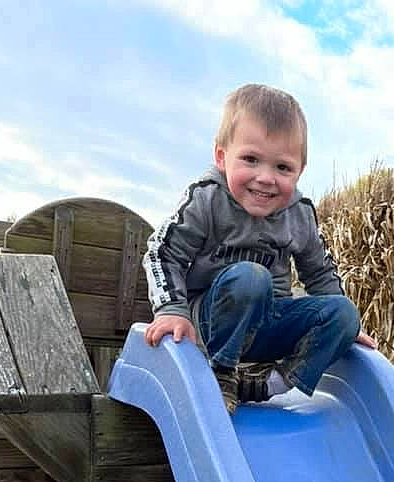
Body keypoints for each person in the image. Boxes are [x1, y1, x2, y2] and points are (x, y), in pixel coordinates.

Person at [142, 83, 376, 414]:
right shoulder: (207, 199)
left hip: (268, 326)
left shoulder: (299, 213)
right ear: (222, 157)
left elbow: (319, 272)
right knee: (251, 278)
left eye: (282, 167)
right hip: (212, 323)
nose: (265, 177)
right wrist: (172, 310)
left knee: (343, 312)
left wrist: (347, 330)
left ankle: (270, 384)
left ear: (299, 171)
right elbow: (163, 253)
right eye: (251, 160)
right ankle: (222, 374)